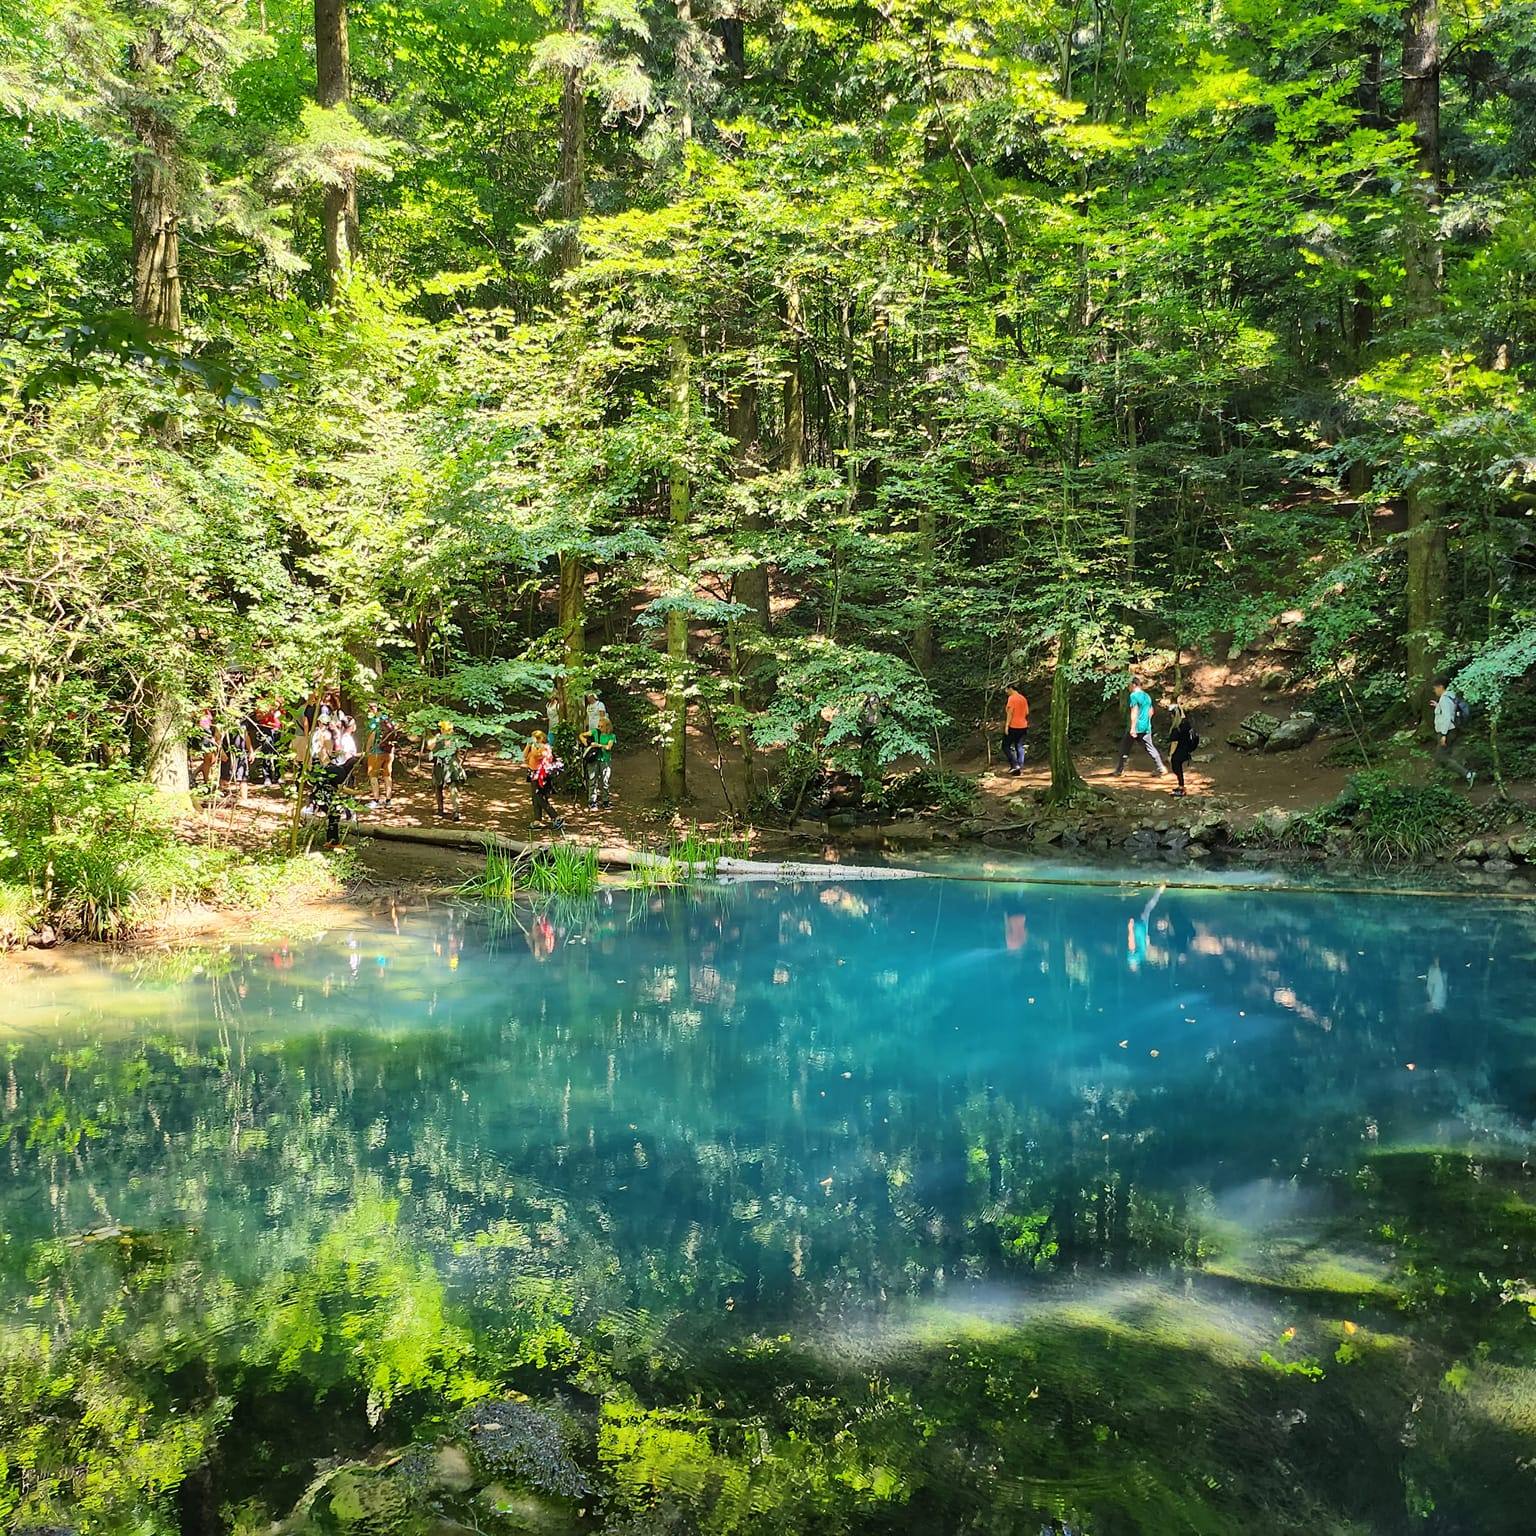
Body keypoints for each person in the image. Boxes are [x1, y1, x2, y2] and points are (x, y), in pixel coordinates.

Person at [1115, 675, 1166, 777]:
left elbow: (1134, 711)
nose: (1128, 688)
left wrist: (1133, 728)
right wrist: (1147, 722)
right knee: (1150, 748)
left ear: (1134, 685)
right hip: (1146, 727)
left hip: (1136, 727)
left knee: (1125, 747)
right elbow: (1151, 711)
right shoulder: (1146, 696)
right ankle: (1161, 768)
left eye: (1129, 685)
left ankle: (1119, 770)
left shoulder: (1133, 696)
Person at [1431, 680, 1475, 786]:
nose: (1434, 691)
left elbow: (1447, 717)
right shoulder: (1449, 697)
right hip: (1451, 730)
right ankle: (1442, 782)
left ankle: (1468, 774)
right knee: (1443, 756)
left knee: (1442, 757)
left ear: (1440, 686)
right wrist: (1438, 706)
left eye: (1435, 688)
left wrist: (1443, 735)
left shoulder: (1445, 699)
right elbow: (1449, 711)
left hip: (1447, 731)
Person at [524, 729, 565, 830]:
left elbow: (536, 755)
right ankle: (537, 820)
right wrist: (528, 745)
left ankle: (555, 817)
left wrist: (533, 745)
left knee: (540, 797)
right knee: (535, 797)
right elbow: (525, 755)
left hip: (541, 775)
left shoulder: (545, 748)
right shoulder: (534, 746)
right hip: (533, 773)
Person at [427, 720, 466, 820]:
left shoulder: (438, 739)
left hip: (444, 767)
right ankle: (454, 811)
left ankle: (443, 810)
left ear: (442, 730)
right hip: (449, 766)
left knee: (441, 788)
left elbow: (430, 748)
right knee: (450, 788)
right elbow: (458, 754)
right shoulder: (454, 740)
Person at [364, 705, 398, 807]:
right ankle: (388, 800)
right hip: (389, 752)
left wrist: (367, 750)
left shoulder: (374, 722)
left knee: (373, 776)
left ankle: (376, 800)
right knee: (387, 776)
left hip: (376, 752)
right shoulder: (389, 721)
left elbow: (372, 737)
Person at [1167, 698, 1199, 798]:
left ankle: (1181, 787)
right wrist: (1179, 707)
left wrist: (1170, 754)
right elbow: (1182, 715)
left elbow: (1174, 743)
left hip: (1178, 752)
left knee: (1176, 768)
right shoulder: (1186, 723)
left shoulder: (1176, 729)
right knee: (1178, 768)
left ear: (1173, 716)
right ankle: (1181, 785)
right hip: (1186, 749)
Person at [583, 712, 615, 809]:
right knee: (592, 780)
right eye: (599, 726)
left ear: (607, 727)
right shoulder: (595, 732)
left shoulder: (611, 736)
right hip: (594, 759)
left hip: (605, 760)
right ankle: (592, 801)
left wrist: (598, 745)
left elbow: (609, 747)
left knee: (605, 781)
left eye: (601, 726)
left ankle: (605, 801)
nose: (599, 728)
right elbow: (582, 735)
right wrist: (586, 743)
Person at [1002, 685, 1029, 775]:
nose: (1006, 691)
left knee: (1005, 746)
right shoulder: (1023, 698)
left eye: (1006, 689)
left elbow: (1010, 712)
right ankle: (1019, 768)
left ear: (1011, 689)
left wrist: (1007, 726)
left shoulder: (1012, 698)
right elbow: (1027, 712)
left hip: (1013, 726)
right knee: (1019, 746)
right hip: (1023, 725)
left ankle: (1014, 764)